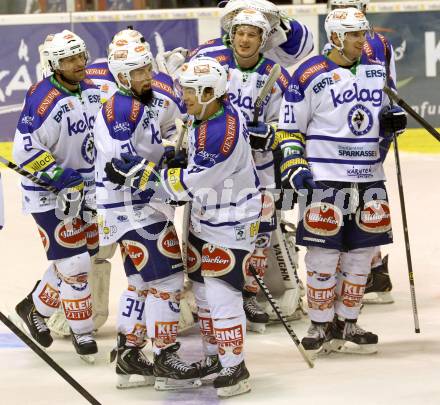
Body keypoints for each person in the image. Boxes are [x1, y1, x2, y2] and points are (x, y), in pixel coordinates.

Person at [105, 56, 262, 397]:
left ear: (211, 91)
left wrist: (140, 174)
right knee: (204, 293)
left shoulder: (221, 132)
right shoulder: (206, 116)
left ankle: (235, 365)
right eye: (184, 89)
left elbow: (187, 186)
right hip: (206, 217)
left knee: (222, 295)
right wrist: (175, 158)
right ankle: (216, 358)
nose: (184, 96)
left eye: (191, 90)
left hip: (230, 222)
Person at [277, 8, 407, 355]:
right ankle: (320, 323)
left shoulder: (374, 72)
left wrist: (392, 122)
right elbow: (288, 128)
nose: (362, 41)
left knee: (362, 255)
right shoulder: (307, 74)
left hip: (368, 178)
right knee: (322, 254)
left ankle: (349, 320)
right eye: (354, 35)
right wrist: (294, 164)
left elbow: (382, 118)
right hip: (325, 178)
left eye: (363, 34)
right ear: (335, 37)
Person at [94, 41, 199, 390]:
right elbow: (120, 168)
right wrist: (170, 184)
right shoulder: (119, 109)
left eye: (147, 69)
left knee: (141, 283)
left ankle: (129, 353)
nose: (147, 76)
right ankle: (166, 355)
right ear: (123, 76)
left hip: (136, 207)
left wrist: (170, 157)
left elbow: (155, 147)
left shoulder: (145, 101)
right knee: (168, 280)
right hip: (131, 209)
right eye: (139, 72)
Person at [189, 9, 293, 333]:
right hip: (216, 170)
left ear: (263, 39)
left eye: (252, 34)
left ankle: (249, 291)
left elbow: (288, 127)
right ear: (231, 35)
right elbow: (194, 110)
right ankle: (207, 295)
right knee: (206, 232)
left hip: (259, 173)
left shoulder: (277, 76)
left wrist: (271, 134)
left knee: (259, 237)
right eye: (240, 33)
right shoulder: (215, 69)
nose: (244, 40)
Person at [13, 30, 101, 360]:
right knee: (75, 262)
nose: (78, 63)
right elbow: (25, 150)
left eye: (81, 56)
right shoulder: (43, 100)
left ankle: (33, 307)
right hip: (48, 192)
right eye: (69, 59)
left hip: (86, 190)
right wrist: (60, 177)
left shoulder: (90, 90)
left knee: (80, 256)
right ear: (54, 64)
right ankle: (83, 332)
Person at [326, 0, 396, 305]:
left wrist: (390, 123)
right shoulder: (339, 39)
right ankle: (371, 271)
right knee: (350, 201)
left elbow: (389, 88)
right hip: (347, 136)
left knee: (360, 201)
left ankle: (370, 270)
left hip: (370, 133)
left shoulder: (379, 43)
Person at [189, 0, 314, 69]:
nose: (234, 15)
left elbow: (305, 46)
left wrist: (280, 25)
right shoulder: (211, 50)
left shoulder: (267, 49)